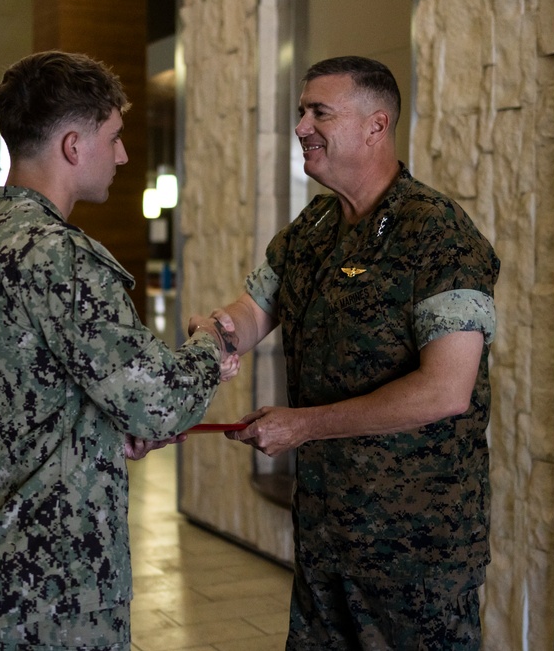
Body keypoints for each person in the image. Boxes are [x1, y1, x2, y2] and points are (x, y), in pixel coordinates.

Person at [0, 50, 238, 650]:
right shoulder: (58, 256)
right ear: (73, 145)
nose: (123, 155)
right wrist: (213, 342)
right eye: (114, 138)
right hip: (53, 589)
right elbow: (160, 402)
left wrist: (97, 434)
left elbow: (14, 399)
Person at [196, 56, 500, 649]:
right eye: (301, 111)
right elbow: (252, 312)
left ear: (375, 126)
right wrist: (210, 335)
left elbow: (445, 390)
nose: (302, 127)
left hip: (415, 545)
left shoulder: (438, 234)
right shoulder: (313, 227)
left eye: (319, 113)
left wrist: (304, 426)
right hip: (326, 531)